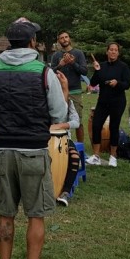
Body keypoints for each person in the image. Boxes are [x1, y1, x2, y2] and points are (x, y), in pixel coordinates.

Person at [0, 17, 67, 259]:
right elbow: (58, 115)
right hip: (33, 150)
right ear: (32, 43)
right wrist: (64, 93)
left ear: (9, 43)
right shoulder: (44, 72)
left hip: (2, 150)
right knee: (36, 215)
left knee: (6, 215)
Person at [86, 42, 130, 167]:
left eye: (115, 50)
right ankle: (96, 156)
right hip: (103, 101)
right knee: (96, 126)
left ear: (118, 53)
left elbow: (127, 84)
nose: (113, 52)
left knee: (113, 127)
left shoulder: (123, 67)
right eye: (111, 50)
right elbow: (93, 83)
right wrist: (96, 70)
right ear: (107, 52)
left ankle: (113, 156)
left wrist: (118, 83)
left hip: (118, 101)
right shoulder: (102, 66)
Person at [51, 71, 84, 208]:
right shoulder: (44, 102)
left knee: (74, 157)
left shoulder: (69, 102)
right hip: (46, 140)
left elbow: (76, 122)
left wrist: (61, 125)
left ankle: (65, 192)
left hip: (64, 139)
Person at [50, 31, 88, 143]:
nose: (64, 39)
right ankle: (59, 144)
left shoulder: (78, 53)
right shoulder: (56, 55)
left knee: (78, 121)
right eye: (61, 38)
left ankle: (80, 148)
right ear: (59, 41)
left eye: (66, 37)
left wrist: (72, 63)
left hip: (75, 91)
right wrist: (60, 65)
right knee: (59, 119)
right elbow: (51, 73)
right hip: (59, 92)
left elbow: (84, 71)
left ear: (69, 38)